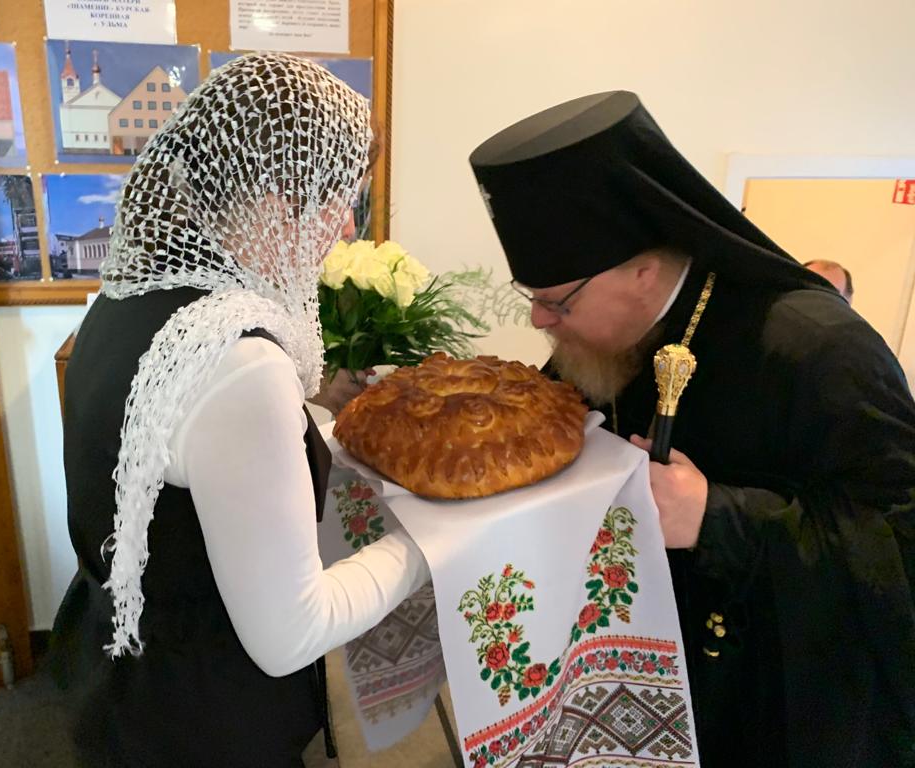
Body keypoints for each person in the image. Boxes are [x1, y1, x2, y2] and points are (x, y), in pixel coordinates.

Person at [469, 91, 915, 767]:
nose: (539, 321)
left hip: (763, 701)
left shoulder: (819, 347)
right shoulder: (597, 344)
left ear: (643, 271)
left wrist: (717, 515)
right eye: (531, 298)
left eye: (556, 302)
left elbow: (897, 544)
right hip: (622, 669)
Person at [50, 54, 429, 767]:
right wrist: (430, 545)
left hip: (118, 671)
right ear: (277, 200)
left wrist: (326, 430)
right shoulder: (238, 362)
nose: (347, 228)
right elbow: (292, 632)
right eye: (341, 199)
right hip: (201, 721)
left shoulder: (126, 301)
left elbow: (191, 465)